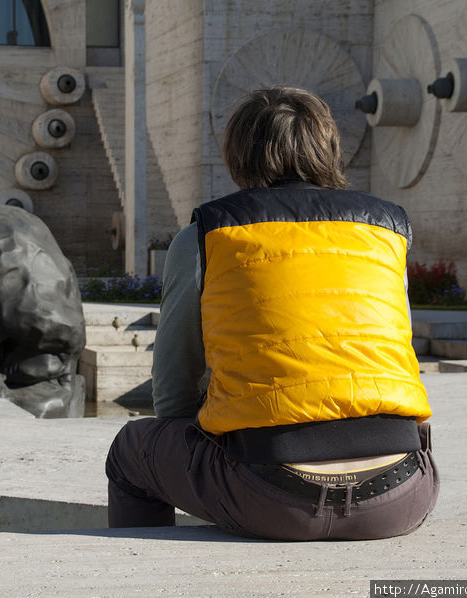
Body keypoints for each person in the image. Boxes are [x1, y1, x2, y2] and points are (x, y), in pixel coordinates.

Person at [105, 86, 439, 540]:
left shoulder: (207, 235)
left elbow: (173, 386)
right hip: (402, 493)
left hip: (269, 496)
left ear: (238, 155)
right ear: (329, 149)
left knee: (130, 451)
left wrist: (197, 441)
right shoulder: (386, 229)